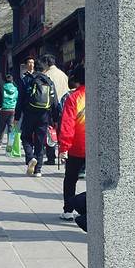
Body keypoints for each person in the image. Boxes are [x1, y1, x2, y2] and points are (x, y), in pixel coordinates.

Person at [15, 60, 59, 178]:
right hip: (44, 115)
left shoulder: (26, 80)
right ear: (44, 69)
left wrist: (17, 116)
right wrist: (55, 119)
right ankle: (38, 170)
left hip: (29, 113)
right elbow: (55, 102)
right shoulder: (49, 81)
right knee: (40, 141)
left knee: (26, 137)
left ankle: (30, 158)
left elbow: (20, 100)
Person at [58, 65, 86, 220]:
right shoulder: (99, 95)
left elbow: (67, 124)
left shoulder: (74, 97)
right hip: (96, 147)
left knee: (70, 179)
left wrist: (64, 147)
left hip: (76, 146)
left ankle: (68, 210)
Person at [39, 55, 69, 166]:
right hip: (64, 107)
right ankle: (64, 155)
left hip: (50, 107)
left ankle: (51, 157)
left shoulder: (46, 75)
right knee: (62, 133)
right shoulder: (63, 75)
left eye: (42, 63)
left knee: (50, 132)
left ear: (46, 63)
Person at [0, 74, 18, 148]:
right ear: (12, 80)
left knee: (1, 127)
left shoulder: (2, 88)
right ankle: (10, 144)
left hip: (3, 109)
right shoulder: (15, 89)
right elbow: (17, 99)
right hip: (12, 109)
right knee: (10, 127)